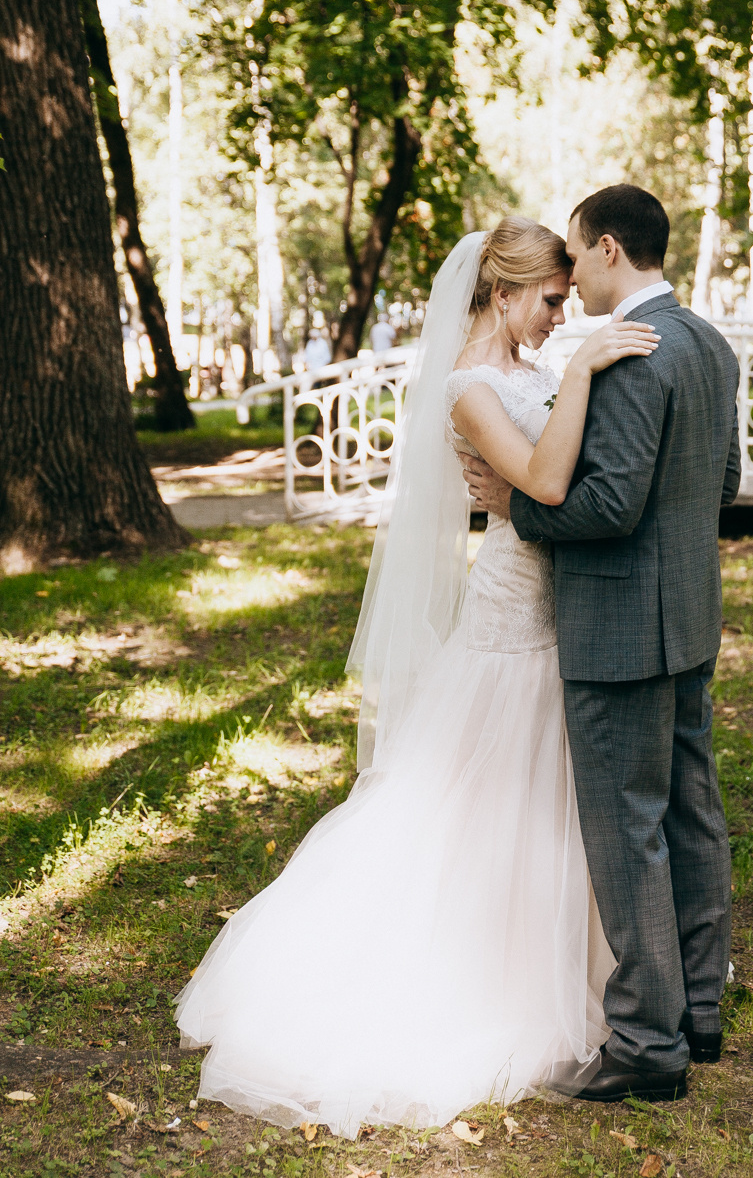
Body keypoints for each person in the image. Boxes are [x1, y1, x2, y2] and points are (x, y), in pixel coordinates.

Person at [174, 216, 659, 1135]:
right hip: (513, 615)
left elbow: (565, 473)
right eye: (550, 302)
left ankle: (592, 964)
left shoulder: (531, 373)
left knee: (556, 797)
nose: (561, 317)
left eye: (566, 303)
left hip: (568, 611)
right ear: (504, 292)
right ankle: (479, 979)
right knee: (479, 800)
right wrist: (589, 374)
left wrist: (573, 396)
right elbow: (547, 487)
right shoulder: (471, 387)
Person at [462, 184, 742, 1103]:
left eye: (577, 255)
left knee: (628, 832)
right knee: (691, 813)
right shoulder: (708, 344)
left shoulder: (624, 356)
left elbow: (608, 505)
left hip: (619, 631)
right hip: (688, 620)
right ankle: (700, 1010)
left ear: (611, 249)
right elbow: (723, 481)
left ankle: (646, 1045)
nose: (570, 275)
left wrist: (520, 517)